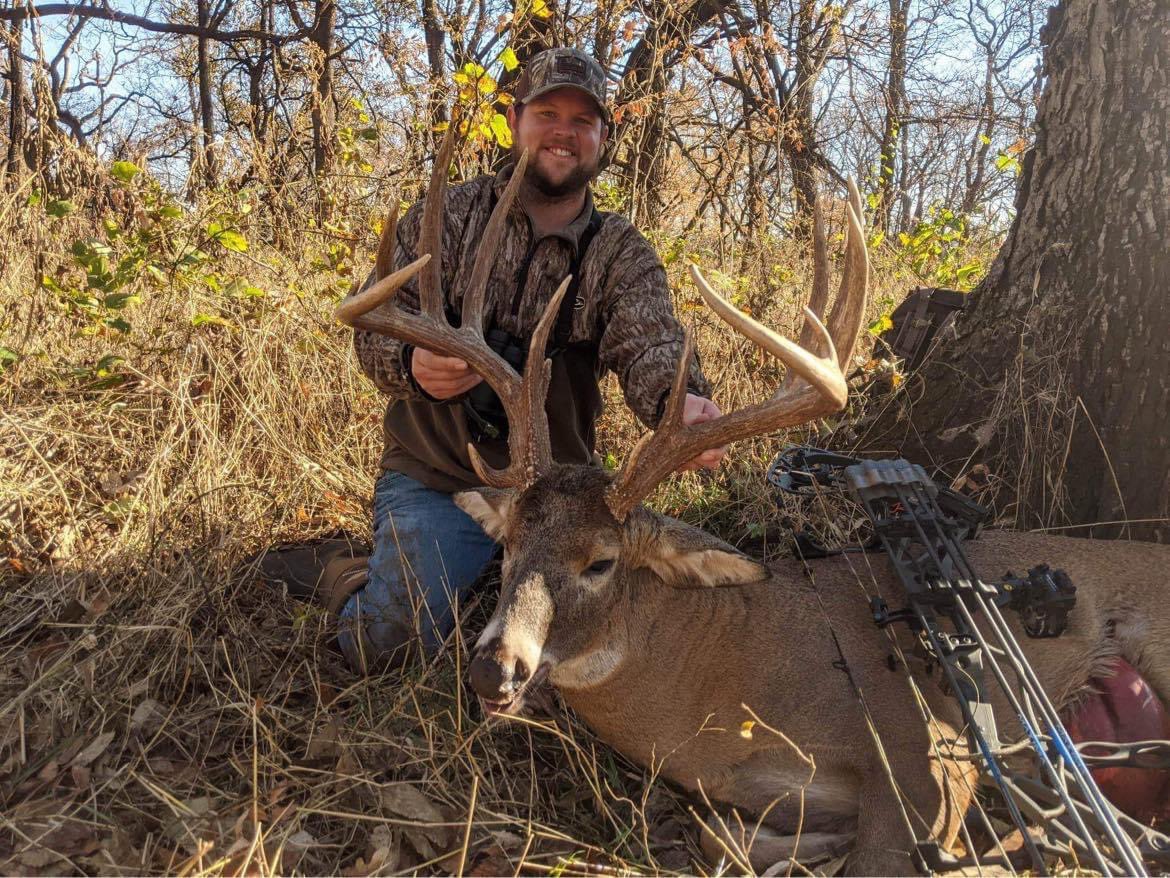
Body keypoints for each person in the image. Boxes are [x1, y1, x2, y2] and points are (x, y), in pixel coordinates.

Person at [262, 47, 724, 673]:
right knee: (394, 642)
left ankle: (461, 575)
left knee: (598, 649)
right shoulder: (445, 218)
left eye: (582, 121)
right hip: (439, 477)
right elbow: (369, 327)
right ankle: (343, 569)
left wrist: (681, 403)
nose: (564, 132)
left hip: (556, 498)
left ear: (603, 137)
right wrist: (411, 361)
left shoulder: (620, 252)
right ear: (516, 122)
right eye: (547, 112)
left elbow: (653, 345)